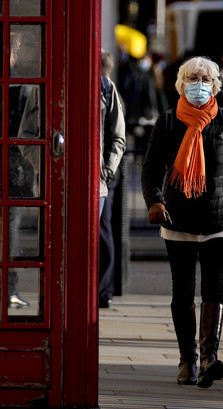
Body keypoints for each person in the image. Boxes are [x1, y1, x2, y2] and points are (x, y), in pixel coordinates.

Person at [141, 56, 223, 388]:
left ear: (216, 85)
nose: (200, 83)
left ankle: (209, 356)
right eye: (194, 78)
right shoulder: (168, 122)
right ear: (182, 84)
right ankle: (187, 362)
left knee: (214, 286)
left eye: (206, 78)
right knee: (182, 291)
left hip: (219, 219)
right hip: (178, 218)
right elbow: (152, 168)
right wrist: (154, 200)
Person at [98, 49, 126, 308]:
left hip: (99, 182)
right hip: (64, 181)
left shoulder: (107, 88)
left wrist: (106, 170)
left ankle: (102, 291)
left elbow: (118, 136)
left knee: (101, 234)